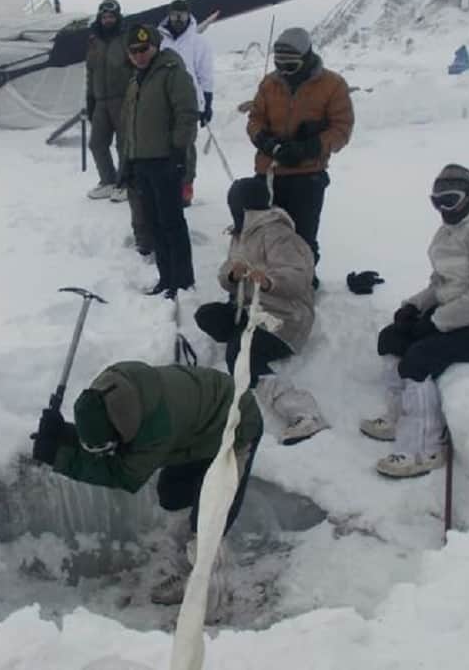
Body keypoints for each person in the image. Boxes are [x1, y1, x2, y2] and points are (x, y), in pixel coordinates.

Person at [30, 360, 263, 604]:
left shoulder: (155, 429)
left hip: (237, 426)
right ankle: (187, 573)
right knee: (172, 494)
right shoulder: (111, 396)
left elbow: (124, 474)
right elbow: (109, 440)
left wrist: (59, 457)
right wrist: (64, 433)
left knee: (208, 522)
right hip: (200, 430)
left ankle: (208, 600)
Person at [361, 164, 469, 478]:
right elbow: (441, 282)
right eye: (437, 202)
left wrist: (436, 322)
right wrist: (414, 306)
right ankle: (400, 416)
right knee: (392, 338)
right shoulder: (453, 228)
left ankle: (426, 447)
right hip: (460, 313)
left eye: (450, 200)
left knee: (421, 358)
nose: (444, 209)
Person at [194, 175, 326, 445]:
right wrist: (232, 275)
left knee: (239, 354)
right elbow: (225, 272)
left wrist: (267, 281)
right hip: (251, 309)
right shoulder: (241, 234)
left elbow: (300, 277)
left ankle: (304, 413)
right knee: (207, 316)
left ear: (243, 207)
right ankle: (245, 336)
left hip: (285, 318)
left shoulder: (278, 235)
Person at [245, 27, 354, 274]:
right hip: (269, 173)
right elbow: (255, 119)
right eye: (279, 65)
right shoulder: (269, 83)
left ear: (307, 58)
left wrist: (309, 147)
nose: (283, 71)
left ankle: (303, 283)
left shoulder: (333, 85)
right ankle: (268, 282)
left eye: (290, 66)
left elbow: (342, 128)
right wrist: (265, 142)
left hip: (308, 176)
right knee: (266, 234)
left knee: (302, 238)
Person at [121, 23, 199, 298]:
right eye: (133, 51)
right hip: (142, 162)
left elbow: (186, 114)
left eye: (144, 49)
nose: (139, 55)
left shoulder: (172, 73)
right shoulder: (136, 80)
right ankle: (166, 278)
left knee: (171, 222)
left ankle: (182, 281)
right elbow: (130, 125)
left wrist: (178, 152)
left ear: (155, 47)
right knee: (153, 223)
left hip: (165, 160)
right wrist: (128, 163)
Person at [159, 0, 214, 207]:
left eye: (182, 15)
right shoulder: (160, 40)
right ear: (169, 16)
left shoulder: (199, 43)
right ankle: (166, 185)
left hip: (189, 103)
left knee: (185, 147)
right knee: (163, 145)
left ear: (189, 16)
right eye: (174, 15)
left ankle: (186, 186)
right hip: (163, 102)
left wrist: (207, 103)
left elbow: (205, 75)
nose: (178, 19)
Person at [84, 0, 134, 203]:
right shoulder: (94, 41)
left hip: (122, 98)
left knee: (124, 144)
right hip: (100, 100)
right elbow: (91, 71)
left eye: (111, 16)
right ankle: (108, 181)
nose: (107, 20)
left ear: (117, 17)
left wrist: (134, 96)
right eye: (104, 17)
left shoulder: (126, 38)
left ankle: (125, 183)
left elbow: (136, 68)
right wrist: (90, 98)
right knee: (97, 143)